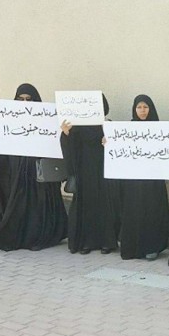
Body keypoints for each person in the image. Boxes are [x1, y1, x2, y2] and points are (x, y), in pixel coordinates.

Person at [0, 83, 67, 251]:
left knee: (38, 204)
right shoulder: (9, 117)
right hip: (17, 169)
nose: (24, 103)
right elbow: (1, 140)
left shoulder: (45, 118)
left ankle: (40, 235)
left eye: (29, 99)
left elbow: (52, 140)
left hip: (37, 169)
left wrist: (61, 131)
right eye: (20, 99)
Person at [118, 94, 169, 260]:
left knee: (153, 211)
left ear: (151, 109)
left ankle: (152, 247)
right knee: (134, 211)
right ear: (134, 109)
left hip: (153, 182)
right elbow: (118, 151)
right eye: (139, 107)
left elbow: (168, 152)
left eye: (145, 107)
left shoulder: (160, 129)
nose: (142, 111)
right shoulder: (127, 129)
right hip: (133, 182)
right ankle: (132, 248)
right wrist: (108, 143)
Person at [60, 94, 119, 254]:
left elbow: (119, 148)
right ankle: (86, 242)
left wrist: (109, 142)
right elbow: (70, 147)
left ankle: (106, 242)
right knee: (86, 205)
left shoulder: (108, 125)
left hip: (104, 172)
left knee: (105, 205)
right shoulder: (77, 127)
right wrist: (66, 134)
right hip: (84, 171)